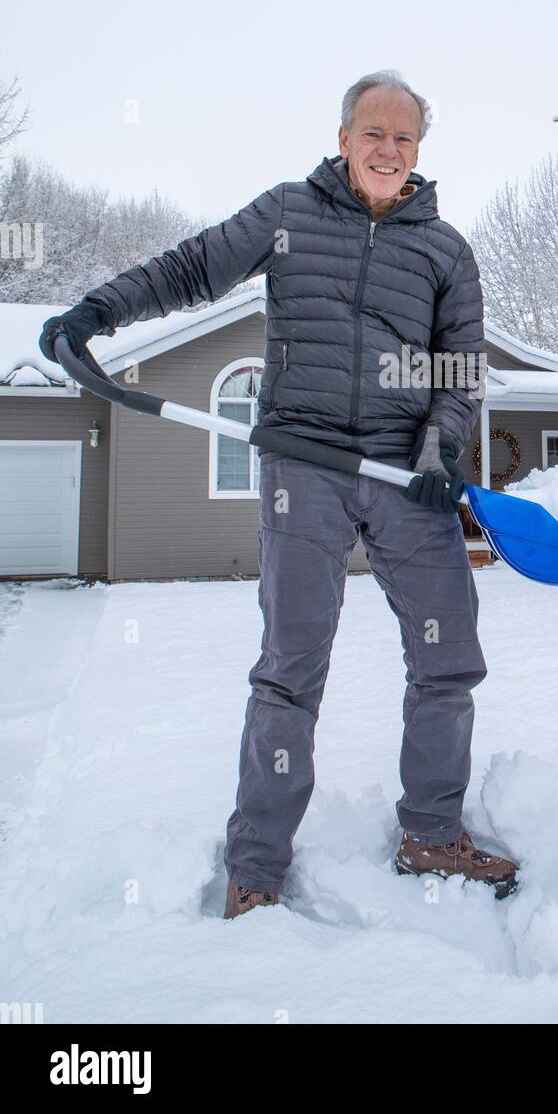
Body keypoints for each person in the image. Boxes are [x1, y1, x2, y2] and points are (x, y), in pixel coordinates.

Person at [40, 70, 519, 917]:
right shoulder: (289, 213)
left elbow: (460, 368)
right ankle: (256, 868)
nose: (387, 150)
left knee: (448, 660)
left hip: (406, 473)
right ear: (343, 139)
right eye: (373, 133)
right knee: (291, 671)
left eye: (404, 139)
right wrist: (94, 311)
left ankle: (432, 831)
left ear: (419, 153)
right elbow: (193, 267)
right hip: (303, 465)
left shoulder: (445, 250)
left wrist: (442, 449)